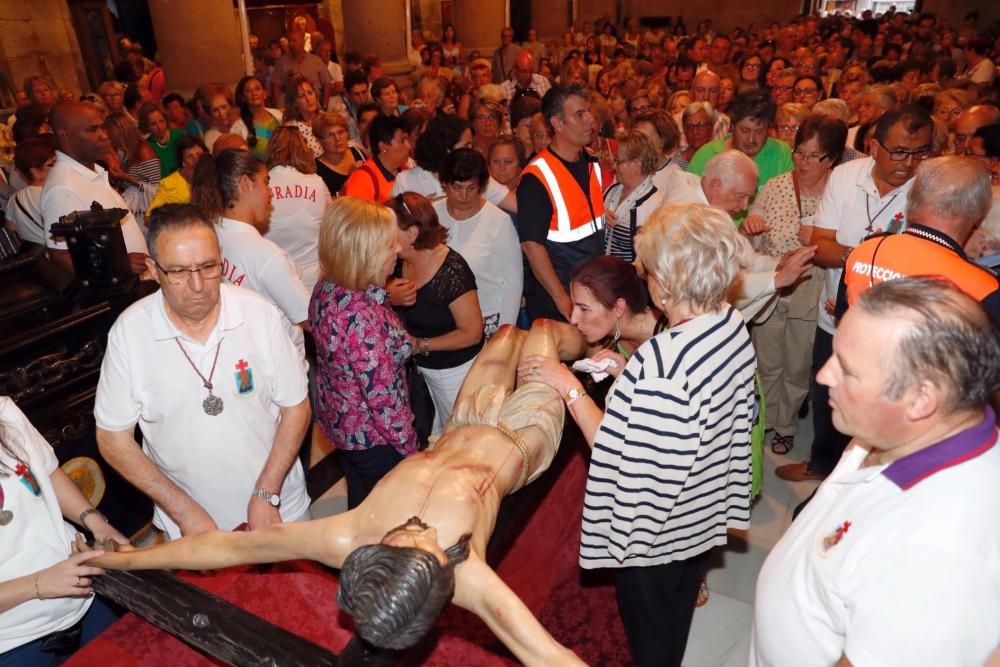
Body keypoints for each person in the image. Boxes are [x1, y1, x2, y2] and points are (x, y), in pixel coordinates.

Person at [92, 319, 591, 666]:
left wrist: (121, 559)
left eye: (408, 538)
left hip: (458, 426)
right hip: (521, 436)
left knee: (506, 334)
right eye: (423, 544)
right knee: (539, 332)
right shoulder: (470, 578)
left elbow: (227, 545)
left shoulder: (346, 534)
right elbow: (550, 657)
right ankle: (589, 338)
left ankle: (589, 342)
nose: (420, 529)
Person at [518, 203, 757, 667]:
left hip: (657, 535)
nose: (644, 278)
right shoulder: (730, 324)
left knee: (651, 631)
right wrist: (629, 375)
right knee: (676, 612)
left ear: (668, 282)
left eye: (649, 269)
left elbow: (614, 448)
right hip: (700, 511)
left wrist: (569, 387)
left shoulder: (664, 361)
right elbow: (688, 414)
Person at [752, 277, 1000, 666]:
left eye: (848, 371)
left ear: (920, 399)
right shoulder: (890, 427)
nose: (823, 376)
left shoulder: (938, 554)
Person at [95, 204, 312, 540]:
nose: (197, 285)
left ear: (221, 258)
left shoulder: (259, 315)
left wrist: (267, 492)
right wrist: (181, 508)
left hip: (279, 508)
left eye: (208, 267)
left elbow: (296, 407)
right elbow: (112, 438)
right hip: (189, 525)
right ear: (153, 269)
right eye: (179, 272)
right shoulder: (130, 333)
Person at [776, 105, 934, 484]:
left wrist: (852, 257)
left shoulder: (929, 187)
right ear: (873, 146)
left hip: (891, 324)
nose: (908, 162)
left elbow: (919, 263)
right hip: (834, 312)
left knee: (878, 402)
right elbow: (821, 246)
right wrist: (870, 259)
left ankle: (860, 479)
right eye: (898, 151)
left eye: (919, 152)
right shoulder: (846, 177)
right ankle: (821, 465)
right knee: (826, 387)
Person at [0, 397, 129, 666]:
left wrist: (95, 522)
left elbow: (49, 473)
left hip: (88, 600)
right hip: (15, 643)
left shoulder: (3, 410)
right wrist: (37, 584)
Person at [745, 115, 846, 456]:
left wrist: (818, 241)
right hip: (775, 282)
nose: (802, 162)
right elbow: (752, 228)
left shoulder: (839, 194)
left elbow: (848, 246)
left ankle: (786, 425)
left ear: (831, 159)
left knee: (798, 365)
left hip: (812, 286)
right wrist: (753, 224)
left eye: (813, 156)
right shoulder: (775, 186)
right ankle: (767, 420)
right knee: (767, 360)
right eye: (798, 153)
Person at [309, 197, 418, 508]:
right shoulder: (360, 321)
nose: (398, 249)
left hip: (343, 429)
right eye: (388, 244)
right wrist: (411, 452)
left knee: (359, 502)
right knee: (386, 516)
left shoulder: (327, 288)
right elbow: (383, 402)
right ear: (364, 254)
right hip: (376, 440)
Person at [841, 156, 1000, 321]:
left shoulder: (864, 250)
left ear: (913, 197)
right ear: (976, 212)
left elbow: (842, 320)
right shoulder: (984, 288)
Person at [190, 148, 310, 357]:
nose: (270, 191)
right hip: (279, 369)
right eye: (265, 181)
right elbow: (310, 319)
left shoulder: (209, 233)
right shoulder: (266, 255)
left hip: (239, 358)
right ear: (246, 184)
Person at [389, 192, 483, 434]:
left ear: (411, 234)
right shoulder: (395, 262)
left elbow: (472, 332)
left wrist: (420, 345)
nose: (381, 234)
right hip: (422, 374)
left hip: (456, 375)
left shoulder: (452, 270)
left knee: (460, 439)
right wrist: (389, 294)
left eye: (388, 228)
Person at [518, 85, 605, 322]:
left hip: (591, 288)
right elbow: (532, 247)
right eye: (579, 115)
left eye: (587, 111)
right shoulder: (537, 176)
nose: (590, 119)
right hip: (558, 299)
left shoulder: (590, 161)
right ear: (557, 123)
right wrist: (562, 299)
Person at [41, 100, 148, 275]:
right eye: (92, 129)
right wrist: (119, 265)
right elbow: (60, 255)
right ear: (65, 134)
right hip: (118, 292)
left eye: (102, 127)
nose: (104, 135)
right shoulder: (63, 186)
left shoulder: (91, 171)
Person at [435, 148, 523, 336]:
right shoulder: (432, 216)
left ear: (481, 186)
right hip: (443, 320)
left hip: (489, 320)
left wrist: (505, 332)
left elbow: (513, 283)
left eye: (471, 188)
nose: (464, 196)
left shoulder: (498, 221)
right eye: (457, 187)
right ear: (444, 184)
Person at [687, 89, 794, 210]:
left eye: (759, 132)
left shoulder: (781, 153)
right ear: (732, 127)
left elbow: (788, 204)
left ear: (768, 129)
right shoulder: (706, 155)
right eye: (745, 130)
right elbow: (689, 205)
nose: (751, 139)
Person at [265, 126, 332, 292]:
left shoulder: (262, 185)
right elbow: (332, 226)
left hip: (276, 281)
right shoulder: (316, 182)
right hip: (314, 280)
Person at [603, 129, 663, 262]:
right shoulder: (612, 191)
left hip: (628, 279)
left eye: (618, 161)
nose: (614, 165)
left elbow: (650, 259)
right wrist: (599, 216)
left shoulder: (655, 205)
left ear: (637, 164)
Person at [344, 114, 411, 203]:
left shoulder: (405, 170)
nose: (408, 146)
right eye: (402, 141)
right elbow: (356, 216)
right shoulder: (362, 180)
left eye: (407, 140)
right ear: (383, 146)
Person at [6, 136, 55, 247]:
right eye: (51, 164)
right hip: (62, 259)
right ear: (35, 172)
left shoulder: (14, 199)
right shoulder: (57, 193)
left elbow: (12, 234)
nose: (57, 167)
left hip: (39, 261)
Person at [269, 29, 331, 109]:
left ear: (303, 41)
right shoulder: (281, 62)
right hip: (292, 107)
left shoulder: (316, 60)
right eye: (289, 41)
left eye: (294, 41)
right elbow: (275, 86)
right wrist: (280, 108)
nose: (291, 44)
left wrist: (325, 105)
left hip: (315, 105)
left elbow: (327, 84)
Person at [147, 135, 206, 214]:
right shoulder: (169, 184)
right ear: (183, 162)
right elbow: (149, 217)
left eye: (198, 155)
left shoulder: (210, 176)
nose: (195, 160)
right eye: (190, 156)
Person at [231, 75, 283, 162]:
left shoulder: (279, 115)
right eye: (248, 91)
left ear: (265, 93)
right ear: (243, 97)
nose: (254, 93)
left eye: (257, 89)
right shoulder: (239, 128)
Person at [631, 109, 682, 193]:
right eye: (635, 138)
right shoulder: (627, 168)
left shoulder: (674, 175)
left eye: (644, 138)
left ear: (663, 140)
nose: (638, 143)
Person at [312, 111, 362, 195]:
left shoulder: (358, 152)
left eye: (341, 132)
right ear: (319, 140)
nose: (337, 138)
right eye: (330, 135)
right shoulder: (316, 170)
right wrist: (352, 177)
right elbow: (329, 204)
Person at [282, 75, 323, 157]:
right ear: (294, 103)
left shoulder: (325, 118)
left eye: (310, 93)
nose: (308, 99)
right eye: (301, 96)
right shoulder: (291, 128)